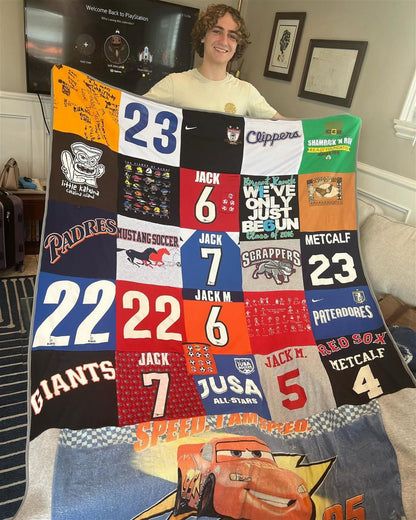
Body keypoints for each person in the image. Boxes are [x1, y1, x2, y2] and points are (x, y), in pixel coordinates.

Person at [143, 3, 286, 119]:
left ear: (237, 45)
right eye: (217, 31)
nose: (224, 41)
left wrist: (309, 132)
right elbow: (131, 111)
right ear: (203, 36)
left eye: (232, 36)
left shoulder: (246, 91)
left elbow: (285, 127)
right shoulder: (174, 83)